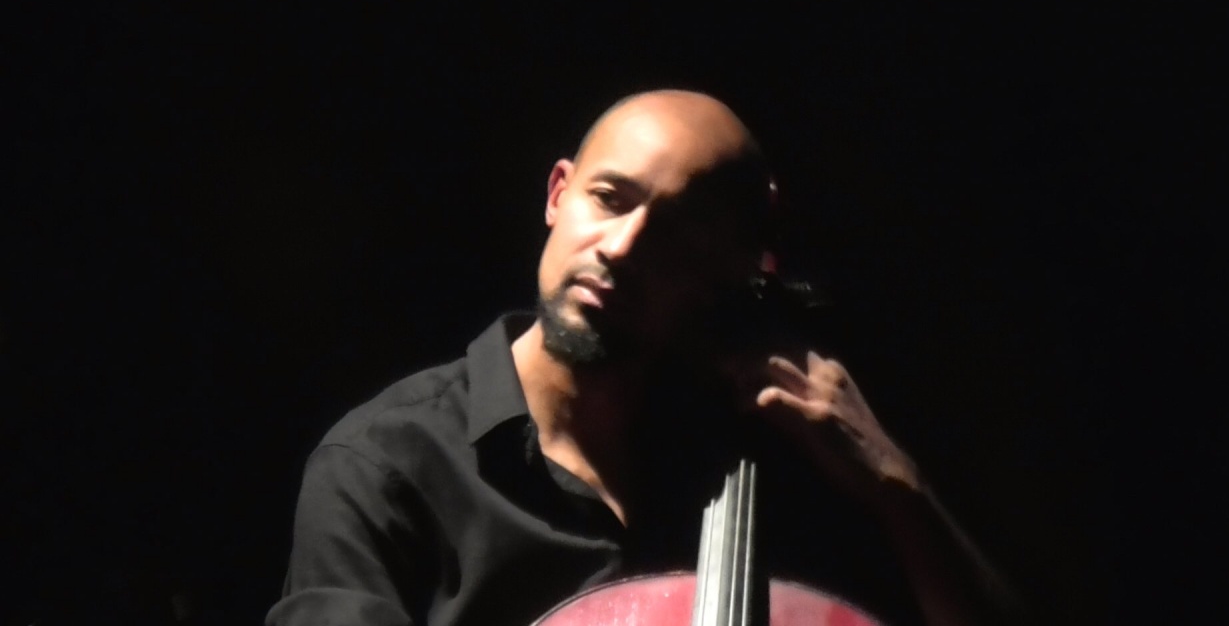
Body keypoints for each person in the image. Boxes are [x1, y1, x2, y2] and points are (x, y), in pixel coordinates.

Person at [266, 90, 1022, 626]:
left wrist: (894, 483)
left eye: (678, 236)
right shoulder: (385, 466)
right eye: (610, 198)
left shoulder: (769, 454)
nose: (623, 249)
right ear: (558, 195)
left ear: (734, 273)